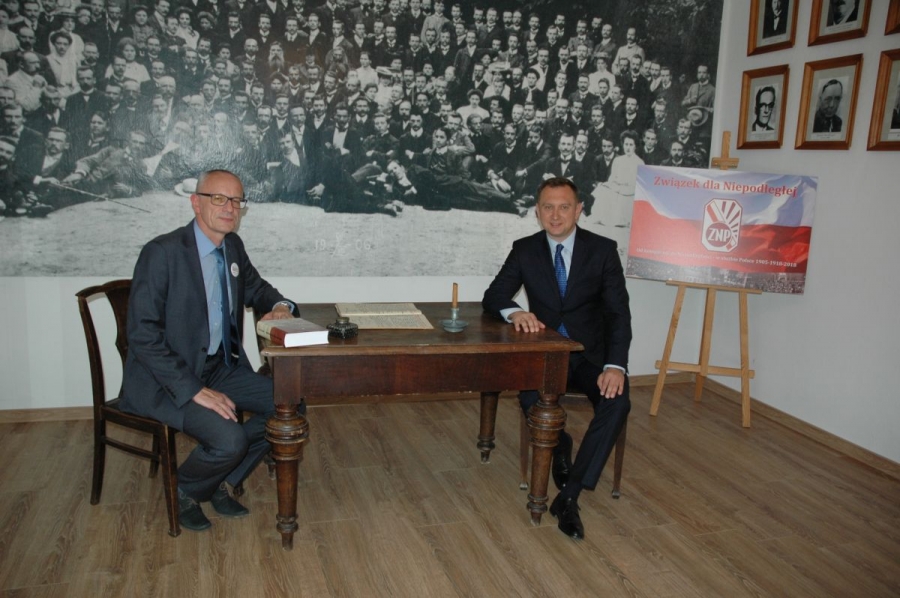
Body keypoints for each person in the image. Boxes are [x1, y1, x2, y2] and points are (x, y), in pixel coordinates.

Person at [121, 169, 299, 532]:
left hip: (219, 367)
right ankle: (185, 488)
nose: (229, 208)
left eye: (236, 200)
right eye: (218, 198)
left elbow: (258, 289)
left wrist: (282, 306)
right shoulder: (162, 253)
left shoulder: (232, 247)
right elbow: (141, 335)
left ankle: (218, 478)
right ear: (195, 203)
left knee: (290, 403)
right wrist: (193, 389)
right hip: (165, 380)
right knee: (230, 439)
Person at [482, 176, 631, 539]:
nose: (555, 215)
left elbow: (618, 314)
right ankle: (560, 442)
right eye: (548, 207)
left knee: (617, 400)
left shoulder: (603, 250)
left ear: (579, 210)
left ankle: (569, 495)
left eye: (564, 207)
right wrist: (515, 312)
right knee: (531, 400)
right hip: (546, 357)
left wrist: (615, 366)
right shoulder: (525, 249)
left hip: (590, 357)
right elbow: (494, 295)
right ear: (537, 211)